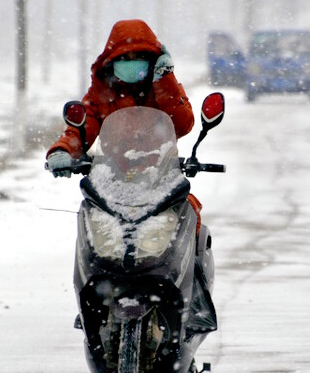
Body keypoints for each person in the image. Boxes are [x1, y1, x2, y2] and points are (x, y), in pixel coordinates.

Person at [45, 18, 204, 231]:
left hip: (161, 184)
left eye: (138, 57)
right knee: (91, 230)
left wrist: (165, 81)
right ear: (111, 61)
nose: (131, 63)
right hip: (110, 188)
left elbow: (183, 125)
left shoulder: (164, 89)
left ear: (152, 60)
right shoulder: (100, 95)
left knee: (188, 222)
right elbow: (81, 130)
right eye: (124, 58)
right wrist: (63, 150)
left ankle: (194, 265)